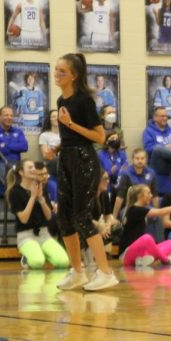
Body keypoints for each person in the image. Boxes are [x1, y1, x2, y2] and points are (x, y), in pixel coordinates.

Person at [51, 53, 118, 291]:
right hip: (66, 158)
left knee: (81, 215)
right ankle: (77, 272)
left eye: (62, 71)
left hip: (84, 160)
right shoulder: (61, 101)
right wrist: (56, 148)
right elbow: (69, 136)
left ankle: (105, 272)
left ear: (74, 75)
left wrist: (70, 125)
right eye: (56, 70)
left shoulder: (83, 101)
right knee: (64, 218)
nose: (57, 75)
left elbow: (99, 137)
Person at [6, 159, 69, 270]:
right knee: (37, 262)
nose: (33, 169)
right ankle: (27, 257)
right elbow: (24, 219)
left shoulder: (41, 187)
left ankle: (42, 252)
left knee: (63, 262)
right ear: (21, 172)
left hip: (44, 234)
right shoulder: (15, 192)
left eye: (34, 167)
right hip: (26, 236)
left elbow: (49, 216)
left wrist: (40, 198)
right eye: (29, 167)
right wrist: (32, 197)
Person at [118, 184, 171, 267]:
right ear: (140, 195)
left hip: (140, 252)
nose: (151, 195)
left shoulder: (140, 209)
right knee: (147, 238)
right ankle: (167, 260)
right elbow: (161, 212)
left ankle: (142, 260)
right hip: (126, 255)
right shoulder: (135, 210)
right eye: (148, 193)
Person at [0, 106, 28, 184]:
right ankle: (11, 195)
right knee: (9, 179)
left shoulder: (18, 131)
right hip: (0, 162)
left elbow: (24, 147)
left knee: (28, 175)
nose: (9, 117)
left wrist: (5, 145)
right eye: (6, 115)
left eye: (11, 115)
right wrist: (15, 146)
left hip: (16, 162)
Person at [113, 148, 157, 218]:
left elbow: (154, 195)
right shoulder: (125, 174)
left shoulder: (151, 173)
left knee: (157, 218)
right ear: (133, 159)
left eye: (142, 158)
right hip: (130, 207)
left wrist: (156, 212)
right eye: (137, 158)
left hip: (147, 206)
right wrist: (114, 217)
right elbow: (120, 197)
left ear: (146, 160)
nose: (140, 161)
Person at [143, 106, 171, 176]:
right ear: (155, 118)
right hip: (157, 165)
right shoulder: (148, 131)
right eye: (162, 116)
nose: (165, 118)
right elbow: (148, 149)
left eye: (166, 116)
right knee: (157, 148)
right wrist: (165, 147)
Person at [98, 128, 127, 196]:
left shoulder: (122, 153)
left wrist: (119, 171)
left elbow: (125, 169)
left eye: (117, 138)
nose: (115, 140)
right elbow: (100, 174)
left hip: (119, 184)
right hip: (106, 185)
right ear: (107, 141)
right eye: (113, 138)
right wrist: (110, 172)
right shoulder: (100, 155)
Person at [38, 109, 61, 175]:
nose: (56, 118)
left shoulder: (66, 135)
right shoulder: (44, 135)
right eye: (53, 116)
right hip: (52, 165)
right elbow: (45, 156)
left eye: (58, 116)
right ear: (49, 119)